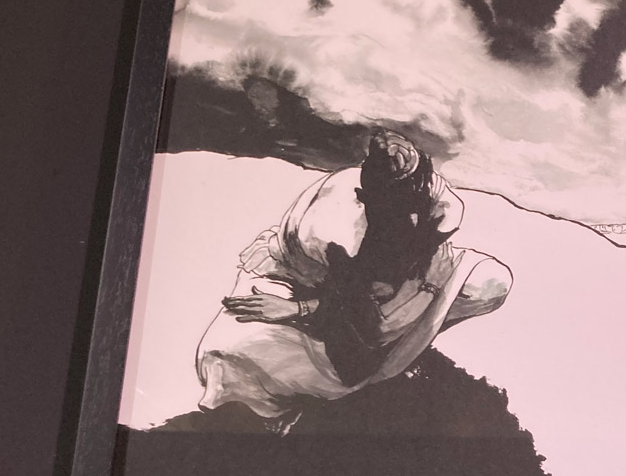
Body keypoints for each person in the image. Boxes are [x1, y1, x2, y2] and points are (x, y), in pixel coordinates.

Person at [194, 127, 512, 433]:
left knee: (489, 284)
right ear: (367, 197)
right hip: (299, 280)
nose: (411, 219)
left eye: (415, 207)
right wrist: (294, 308)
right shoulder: (333, 231)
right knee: (235, 354)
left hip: (389, 288)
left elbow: (409, 265)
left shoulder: (437, 198)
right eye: (397, 211)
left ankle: (409, 337)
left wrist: (422, 283)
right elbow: (367, 320)